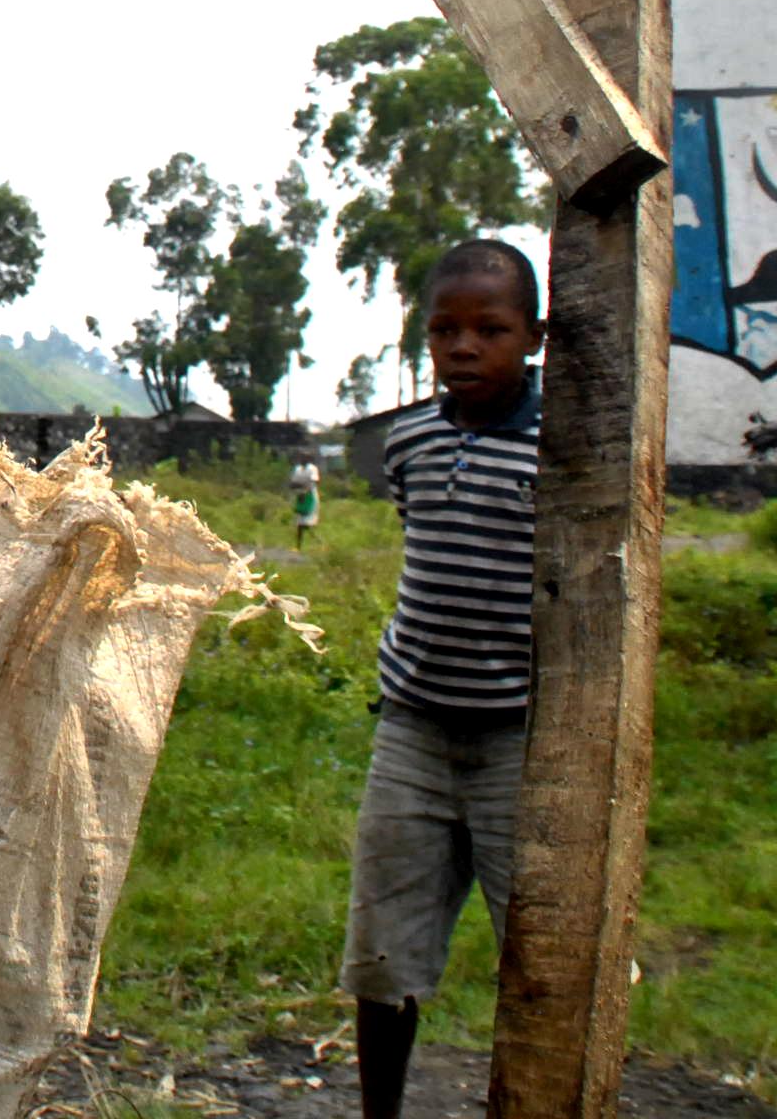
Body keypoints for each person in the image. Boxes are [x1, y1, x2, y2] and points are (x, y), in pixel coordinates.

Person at [340, 240, 544, 1119]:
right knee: (382, 958)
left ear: (534, 338)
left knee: (540, 957)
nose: (464, 347)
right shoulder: (412, 439)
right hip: (414, 732)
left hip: (520, 741)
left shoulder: (563, 444)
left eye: (490, 330)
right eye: (445, 330)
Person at [289, 456, 323, 550]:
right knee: (301, 523)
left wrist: (303, 488)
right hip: (300, 496)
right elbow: (293, 483)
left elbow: (314, 482)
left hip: (310, 497)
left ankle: (317, 542)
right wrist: (301, 486)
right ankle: (317, 542)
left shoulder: (312, 469)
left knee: (305, 523)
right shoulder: (298, 469)